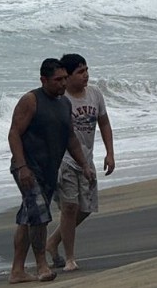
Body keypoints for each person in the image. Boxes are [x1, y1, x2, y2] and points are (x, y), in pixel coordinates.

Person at [7, 57, 94, 283]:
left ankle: (17, 271)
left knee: (28, 218)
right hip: (27, 168)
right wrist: (22, 166)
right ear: (43, 80)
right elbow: (14, 133)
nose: (63, 84)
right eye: (58, 80)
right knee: (39, 216)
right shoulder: (31, 100)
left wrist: (84, 164)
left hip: (48, 170)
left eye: (65, 78)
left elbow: (70, 139)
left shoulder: (64, 103)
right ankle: (42, 266)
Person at [45, 53, 115, 272]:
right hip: (63, 161)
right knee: (70, 207)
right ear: (67, 76)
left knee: (85, 208)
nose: (86, 75)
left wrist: (110, 153)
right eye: (80, 72)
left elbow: (104, 123)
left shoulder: (95, 95)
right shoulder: (60, 99)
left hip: (86, 159)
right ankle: (70, 259)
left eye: (87, 70)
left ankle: (53, 241)